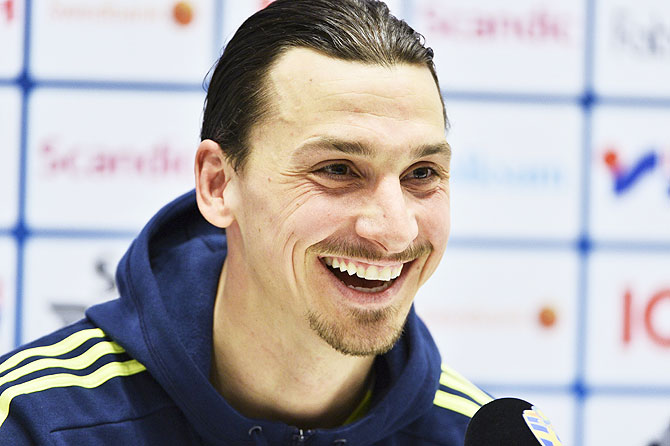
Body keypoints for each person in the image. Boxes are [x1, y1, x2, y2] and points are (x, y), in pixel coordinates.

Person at [0, 0, 492, 444]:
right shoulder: (36, 423)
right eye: (338, 170)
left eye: (422, 174)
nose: (395, 228)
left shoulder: (479, 436)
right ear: (218, 184)